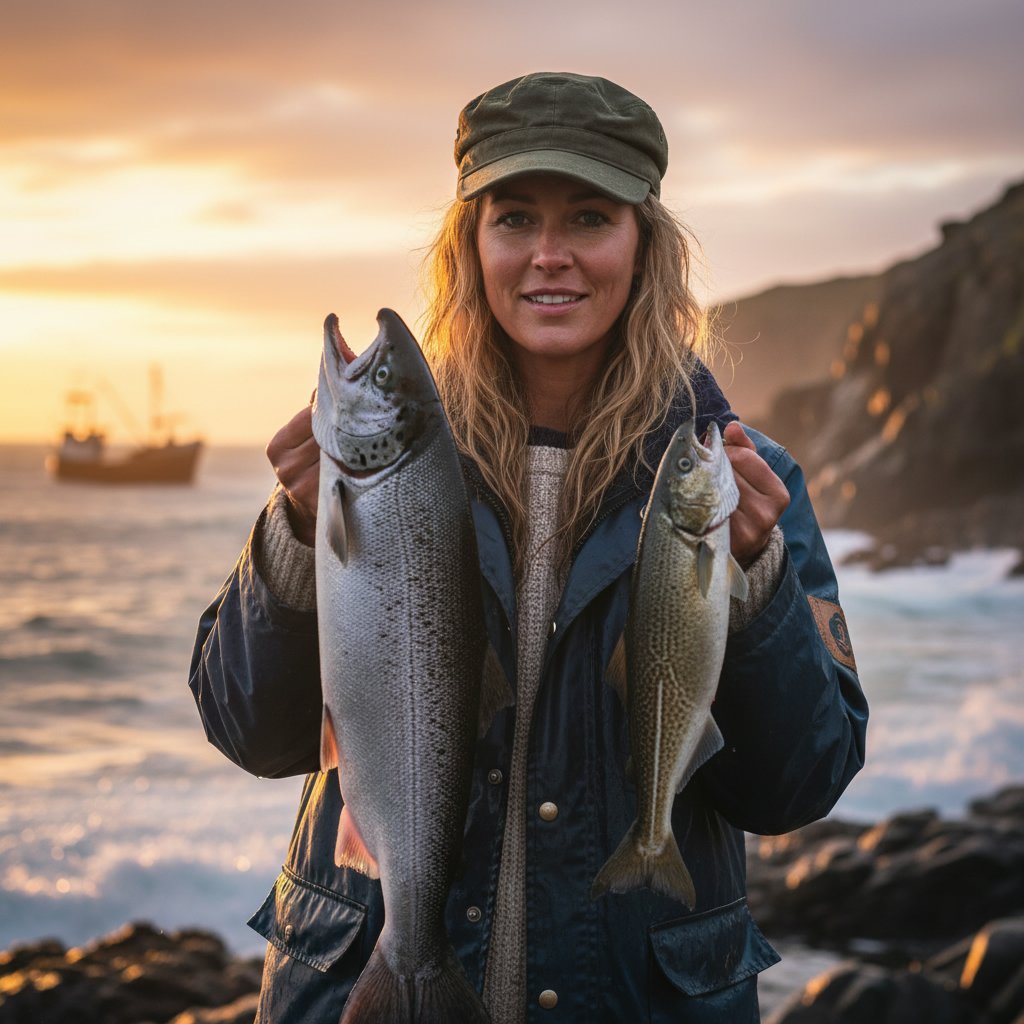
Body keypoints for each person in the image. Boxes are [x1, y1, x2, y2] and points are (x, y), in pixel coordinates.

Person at [189, 72, 868, 1023]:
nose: (550, 256)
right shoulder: (385, 471)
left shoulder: (743, 482)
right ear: (469, 244)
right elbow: (246, 728)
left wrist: (752, 589)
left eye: (589, 218)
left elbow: (801, 781)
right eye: (513, 219)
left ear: (646, 245)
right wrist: (299, 538)